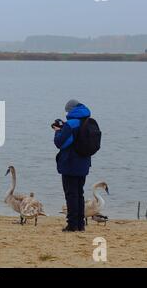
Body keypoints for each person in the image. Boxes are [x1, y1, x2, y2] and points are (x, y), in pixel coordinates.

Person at [53, 99, 91, 232]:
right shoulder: (87, 121)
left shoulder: (71, 124)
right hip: (84, 163)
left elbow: (60, 143)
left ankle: (72, 224)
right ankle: (80, 224)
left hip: (70, 163)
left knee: (70, 194)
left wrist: (58, 130)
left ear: (71, 111)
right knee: (79, 193)